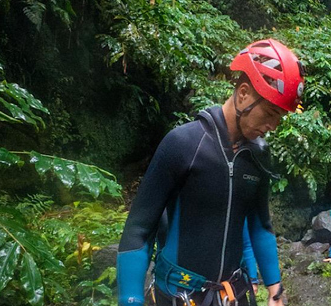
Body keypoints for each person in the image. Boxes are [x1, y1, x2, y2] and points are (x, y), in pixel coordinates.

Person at [117, 39, 305, 306]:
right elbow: (139, 229)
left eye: (280, 118)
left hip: (234, 296)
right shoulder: (183, 144)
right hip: (178, 296)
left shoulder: (258, 155)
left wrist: (275, 290)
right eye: (270, 113)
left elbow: (260, 225)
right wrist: (130, 299)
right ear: (243, 94)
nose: (273, 125)